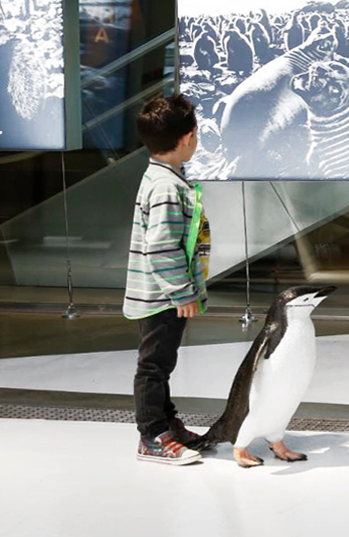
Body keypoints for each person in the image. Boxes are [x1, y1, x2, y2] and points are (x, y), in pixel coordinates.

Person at [125, 93, 211, 465]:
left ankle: (166, 422)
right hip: (161, 296)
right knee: (154, 366)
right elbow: (161, 246)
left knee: (162, 363)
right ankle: (152, 435)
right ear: (188, 137)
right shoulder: (166, 186)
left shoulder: (166, 178)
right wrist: (181, 292)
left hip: (161, 294)